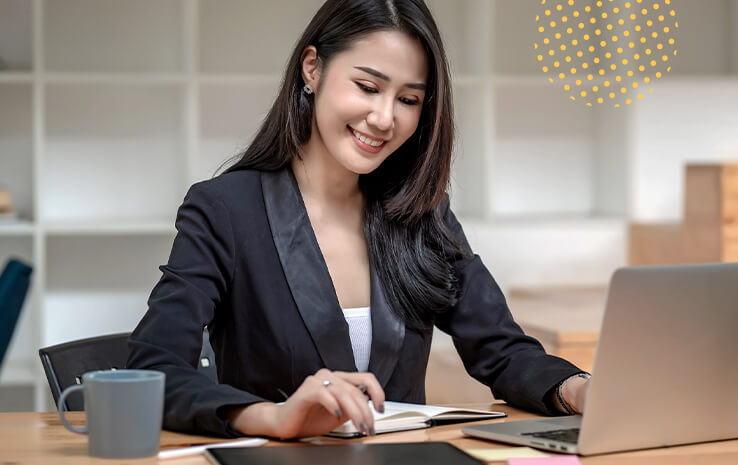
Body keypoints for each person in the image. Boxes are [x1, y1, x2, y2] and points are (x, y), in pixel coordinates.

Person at [126, 0, 590, 440]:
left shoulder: (422, 212)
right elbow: (155, 366)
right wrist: (274, 417)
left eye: (409, 99)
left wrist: (580, 391)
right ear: (313, 68)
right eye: (368, 87)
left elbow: (503, 351)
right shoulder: (227, 210)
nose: (385, 118)